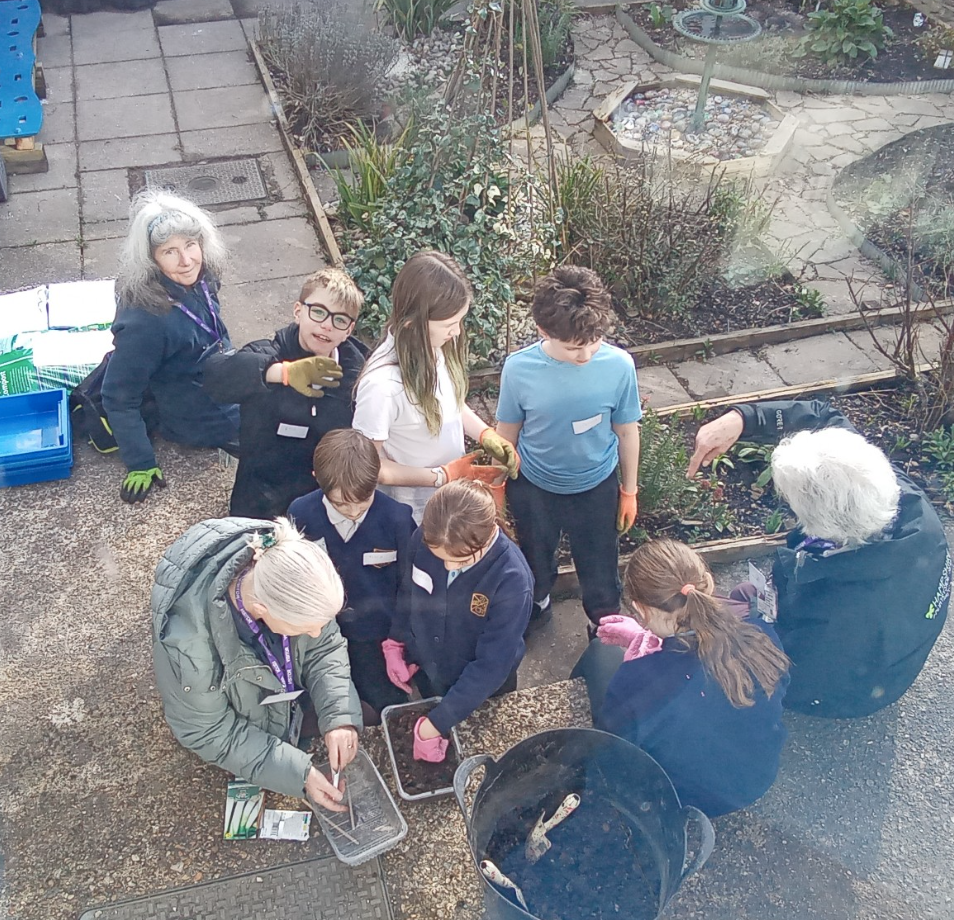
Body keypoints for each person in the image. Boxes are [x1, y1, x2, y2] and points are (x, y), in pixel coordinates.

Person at [688, 399, 952, 718]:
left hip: (847, 692)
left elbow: (800, 677)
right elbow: (823, 417)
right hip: (894, 647)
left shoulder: (845, 614)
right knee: (739, 603)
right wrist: (744, 419)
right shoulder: (893, 493)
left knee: (709, 634)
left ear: (824, 528)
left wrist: (740, 634)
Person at [151, 516, 361, 812]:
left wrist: (339, 715)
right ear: (262, 610)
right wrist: (297, 773)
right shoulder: (190, 652)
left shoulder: (295, 574)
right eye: (305, 628)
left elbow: (324, 648)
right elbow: (207, 731)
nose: (316, 633)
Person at [571, 538, 790, 817]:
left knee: (600, 654)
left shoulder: (637, 680)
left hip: (686, 799)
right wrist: (648, 639)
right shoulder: (761, 632)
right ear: (707, 582)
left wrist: (638, 663)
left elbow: (615, 751)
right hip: (755, 778)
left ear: (641, 610)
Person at [494, 266, 641, 634]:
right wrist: (496, 485)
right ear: (544, 331)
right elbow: (507, 432)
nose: (587, 354)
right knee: (535, 556)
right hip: (534, 486)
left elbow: (626, 430)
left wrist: (630, 491)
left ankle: (603, 623)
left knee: (600, 564)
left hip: (596, 485)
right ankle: (536, 603)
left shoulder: (620, 366)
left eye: (594, 341)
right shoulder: (519, 369)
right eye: (575, 347)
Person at [352, 250, 519, 522]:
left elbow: (450, 403)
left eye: (460, 321)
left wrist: (486, 434)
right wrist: (443, 475)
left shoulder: (432, 345)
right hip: (413, 513)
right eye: (449, 324)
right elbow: (369, 467)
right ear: (412, 324)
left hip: (448, 498)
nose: (456, 332)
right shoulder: (381, 386)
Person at [104, 190, 240, 505]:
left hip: (219, 376)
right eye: (170, 252)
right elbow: (118, 396)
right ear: (151, 260)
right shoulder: (146, 323)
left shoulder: (200, 277)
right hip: (198, 415)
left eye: (191, 245)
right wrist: (140, 461)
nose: (186, 260)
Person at [382, 479, 532, 762]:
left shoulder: (512, 581)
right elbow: (408, 591)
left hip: (484, 689)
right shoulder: (423, 539)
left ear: (488, 536)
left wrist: (437, 723)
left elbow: (491, 665)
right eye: (440, 558)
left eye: (461, 561)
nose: (448, 567)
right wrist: (396, 640)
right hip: (430, 667)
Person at [203, 269, 369, 518]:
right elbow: (214, 378)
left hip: (322, 500)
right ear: (298, 311)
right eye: (319, 312)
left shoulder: (357, 375)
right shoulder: (267, 352)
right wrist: (282, 373)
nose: (326, 325)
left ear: (349, 329)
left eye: (340, 320)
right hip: (260, 496)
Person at [289, 429, 417, 716]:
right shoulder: (301, 513)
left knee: (387, 703)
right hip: (323, 634)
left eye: (363, 500)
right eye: (341, 503)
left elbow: (410, 586)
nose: (354, 510)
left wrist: (398, 641)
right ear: (316, 479)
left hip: (379, 637)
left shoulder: (397, 518)